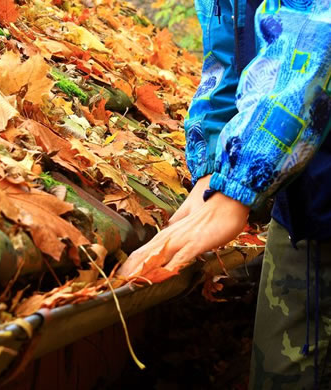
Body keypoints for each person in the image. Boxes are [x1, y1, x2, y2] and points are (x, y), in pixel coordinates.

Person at [120, 0, 331, 388]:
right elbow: (227, 46)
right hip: (304, 207)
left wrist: (244, 179)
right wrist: (213, 166)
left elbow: (316, 32)